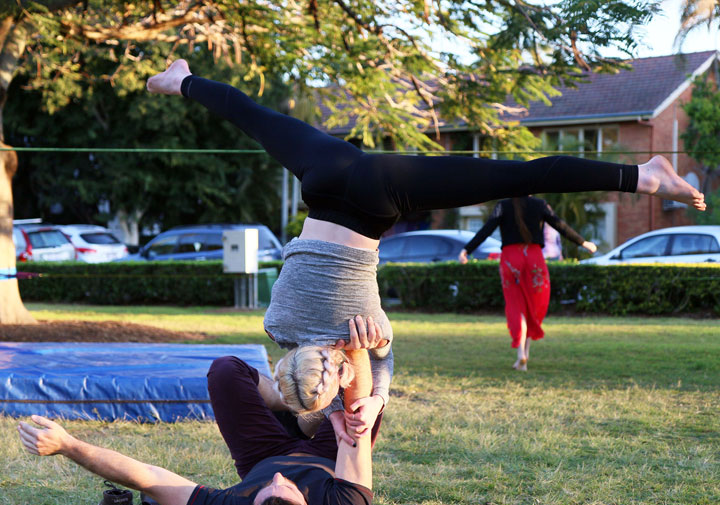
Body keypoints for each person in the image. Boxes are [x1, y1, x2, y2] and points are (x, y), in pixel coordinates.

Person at [146, 59, 705, 435]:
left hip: (375, 195)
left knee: (514, 176)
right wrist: (344, 383)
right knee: (254, 116)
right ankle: (184, 80)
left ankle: (646, 176)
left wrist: (377, 398)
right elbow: (285, 378)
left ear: (339, 372)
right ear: (288, 360)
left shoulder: (359, 336)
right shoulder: (277, 324)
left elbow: (381, 360)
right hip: (323, 176)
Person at [17, 348, 377, 505]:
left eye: (268, 487)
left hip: (263, 453)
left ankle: (294, 409)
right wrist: (356, 350)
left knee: (225, 370)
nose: (280, 477)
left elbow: (146, 477)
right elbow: (356, 417)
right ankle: (298, 406)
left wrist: (68, 445)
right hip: (332, 457)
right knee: (363, 413)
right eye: (288, 488)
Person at [458, 197, 597, 371]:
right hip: (534, 258)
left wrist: (466, 250)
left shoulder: (503, 205)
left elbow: (486, 229)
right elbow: (559, 224)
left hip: (510, 259)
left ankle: (521, 355)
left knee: (516, 305)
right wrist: (583, 242)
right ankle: (525, 354)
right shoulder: (540, 204)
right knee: (533, 306)